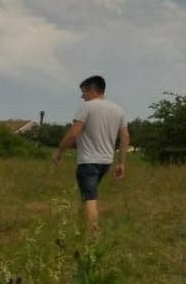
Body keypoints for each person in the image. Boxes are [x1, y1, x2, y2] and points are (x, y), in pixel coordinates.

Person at [52, 75, 130, 235]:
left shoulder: (87, 107)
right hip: (105, 163)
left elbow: (73, 133)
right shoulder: (118, 110)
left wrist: (59, 152)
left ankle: (92, 240)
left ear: (92, 90)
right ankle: (83, 230)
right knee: (88, 197)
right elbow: (125, 136)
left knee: (89, 200)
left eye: (84, 92)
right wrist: (121, 163)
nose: (82, 96)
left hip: (88, 162)